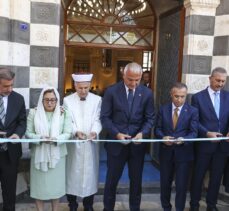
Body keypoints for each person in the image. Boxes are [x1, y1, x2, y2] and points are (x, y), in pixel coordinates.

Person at [100, 62, 155, 211]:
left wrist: (142, 133)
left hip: (137, 147)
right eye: (130, 79)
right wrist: (117, 134)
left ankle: (135, 208)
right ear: (123, 74)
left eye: (137, 79)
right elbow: (105, 118)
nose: (134, 83)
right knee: (111, 180)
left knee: (136, 181)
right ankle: (108, 208)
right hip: (116, 145)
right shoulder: (111, 91)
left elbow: (150, 118)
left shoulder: (147, 93)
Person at [26, 87, 72, 211]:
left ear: (57, 100)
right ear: (42, 100)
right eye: (46, 100)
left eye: (53, 100)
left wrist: (56, 139)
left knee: (55, 187)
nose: (50, 103)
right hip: (39, 156)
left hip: (58, 156)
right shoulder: (33, 113)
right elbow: (28, 133)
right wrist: (40, 137)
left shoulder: (64, 113)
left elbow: (68, 133)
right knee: (39, 187)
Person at [190, 67, 229, 211]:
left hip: (222, 146)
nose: (220, 84)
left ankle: (211, 205)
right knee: (198, 176)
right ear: (210, 78)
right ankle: (194, 205)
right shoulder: (197, 97)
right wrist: (207, 133)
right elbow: (195, 122)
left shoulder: (228, 96)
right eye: (218, 80)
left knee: (216, 177)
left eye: (223, 81)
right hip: (204, 146)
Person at [155, 82, 198, 211]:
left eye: (182, 96)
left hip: (184, 155)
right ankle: (166, 207)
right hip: (166, 153)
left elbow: (194, 132)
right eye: (176, 96)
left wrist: (184, 140)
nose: (179, 99)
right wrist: (163, 138)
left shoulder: (192, 111)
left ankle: (179, 208)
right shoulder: (163, 109)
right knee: (165, 184)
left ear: (186, 96)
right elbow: (157, 129)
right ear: (171, 95)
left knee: (181, 186)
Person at [64, 73, 102, 211]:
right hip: (74, 144)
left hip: (90, 144)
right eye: (80, 88)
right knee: (72, 173)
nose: (84, 91)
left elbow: (98, 119)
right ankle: (72, 204)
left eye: (86, 88)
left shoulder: (97, 100)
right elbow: (67, 121)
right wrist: (75, 131)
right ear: (75, 86)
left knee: (90, 175)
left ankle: (88, 205)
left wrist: (94, 131)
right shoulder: (67, 100)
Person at [0, 68, 26, 211]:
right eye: (5, 86)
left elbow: (22, 122)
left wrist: (18, 134)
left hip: (11, 154)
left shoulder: (18, 99)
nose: (9, 89)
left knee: (10, 192)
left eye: (11, 85)